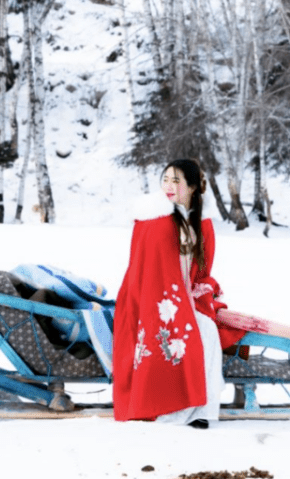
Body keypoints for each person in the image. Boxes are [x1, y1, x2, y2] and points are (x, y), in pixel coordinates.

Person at [111, 159, 245, 429]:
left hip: (185, 297)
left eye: (176, 181)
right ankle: (174, 407)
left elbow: (201, 270)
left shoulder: (200, 223)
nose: (169, 186)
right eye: (166, 179)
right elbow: (148, 273)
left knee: (206, 329)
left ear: (193, 187)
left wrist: (202, 291)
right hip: (153, 300)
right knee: (198, 332)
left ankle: (201, 410)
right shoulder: (154, 220)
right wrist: (175, 303)